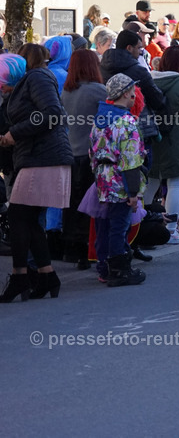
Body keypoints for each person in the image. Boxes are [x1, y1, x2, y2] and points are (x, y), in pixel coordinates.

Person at [0, 51, 72, 302]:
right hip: (39, 157)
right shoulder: (27, 82)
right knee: (28, 220)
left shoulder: (37, 78)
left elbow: (52, 113)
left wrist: (14, 134)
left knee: (19, 216)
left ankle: (22, 276)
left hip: (43, 158)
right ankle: (46, 275)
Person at [89, 74, 148, 287]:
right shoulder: (127, 121)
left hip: (102, 179)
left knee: (103, 224)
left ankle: (104, 267)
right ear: (126, 93)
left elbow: (92, 151)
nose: (134, 95)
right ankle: (119, 270)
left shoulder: (99, 118)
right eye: (132, 90)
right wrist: (133, 192)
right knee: (119, 225)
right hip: (120, 180)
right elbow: (131, 160)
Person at [144, 46, 179, 245]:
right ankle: (170, 229)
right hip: (178, 137)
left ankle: (141, 225)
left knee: (151, 181)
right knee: (175, 184)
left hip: (154, 135)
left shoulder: (150, 79)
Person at [61, 49, 108, 269]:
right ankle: (88, 251)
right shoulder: (99, 91)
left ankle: (71, 249)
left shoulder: (65, 92)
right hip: (91, 155)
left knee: (71, 205)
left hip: (69, 154)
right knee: (91, 205)